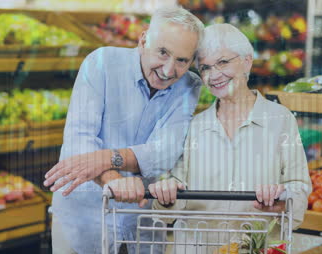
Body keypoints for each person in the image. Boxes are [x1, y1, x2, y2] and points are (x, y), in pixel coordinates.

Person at [42, 6, 204, 254]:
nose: (169, 70)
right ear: (143, 39)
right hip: (84, 216)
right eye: (162, 52)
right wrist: (112, 180)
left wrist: (105, 157)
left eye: (182, 60)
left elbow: (164, 152)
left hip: (142, 223)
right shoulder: (101, 63)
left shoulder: (189, 85)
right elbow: (80, 138)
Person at [148, 24, 312, 253]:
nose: (213, 75)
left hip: (258, 248)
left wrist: (282, 201)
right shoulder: (194, 126)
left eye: (223, 62)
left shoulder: (280, 120)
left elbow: (299, 187)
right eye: (204, 68)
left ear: (247, 61)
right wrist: (166, 195)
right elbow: (171, 204)